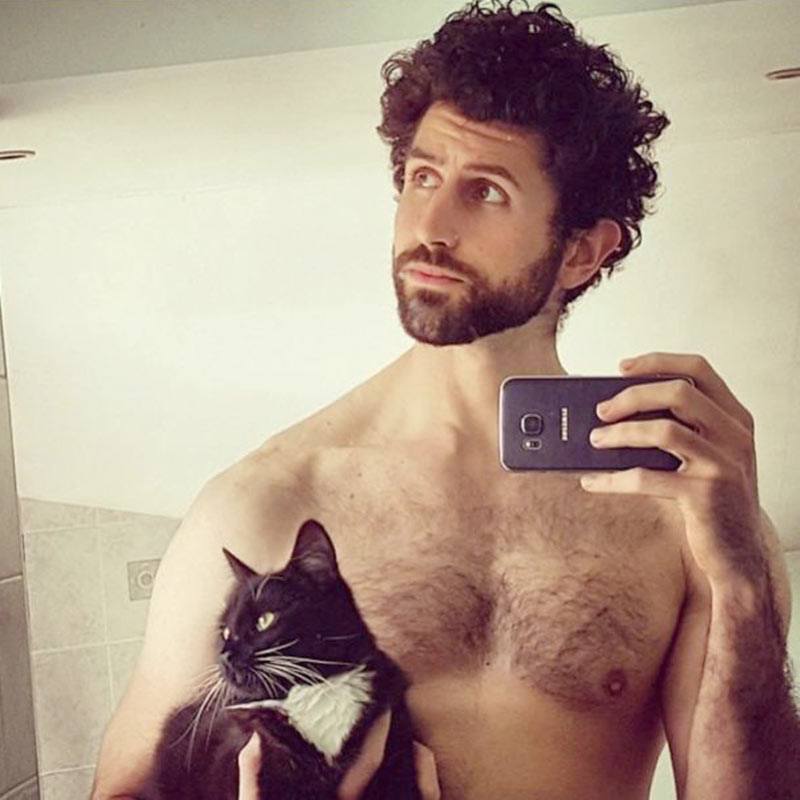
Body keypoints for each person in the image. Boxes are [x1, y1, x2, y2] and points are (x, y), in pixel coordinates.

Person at [91, 2, 799, 798]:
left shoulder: (673, 515)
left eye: (485, 191)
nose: (429, 224)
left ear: (581, 251)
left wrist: (744, 585)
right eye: (422, 177)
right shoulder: (265, 507)